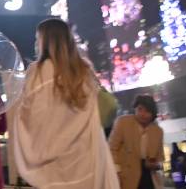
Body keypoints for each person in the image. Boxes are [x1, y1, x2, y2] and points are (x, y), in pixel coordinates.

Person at [10, 18, 118, 189]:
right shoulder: (83, 71)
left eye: (38, 39)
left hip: (53, 170)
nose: (36, 43)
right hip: (86, 163)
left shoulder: (37, 72)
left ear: (45, 41)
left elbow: (31, 118)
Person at [109, 94, 164, 189]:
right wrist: (116, 170)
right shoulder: (123, 122)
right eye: (139, 109)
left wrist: (156, 165)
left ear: (153, 113)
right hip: (126, 173)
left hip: (149, 175)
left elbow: (160, 159)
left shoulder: (158, 131)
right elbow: (111, 148)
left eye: (147, 111)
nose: (142, 114)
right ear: (135, 109)